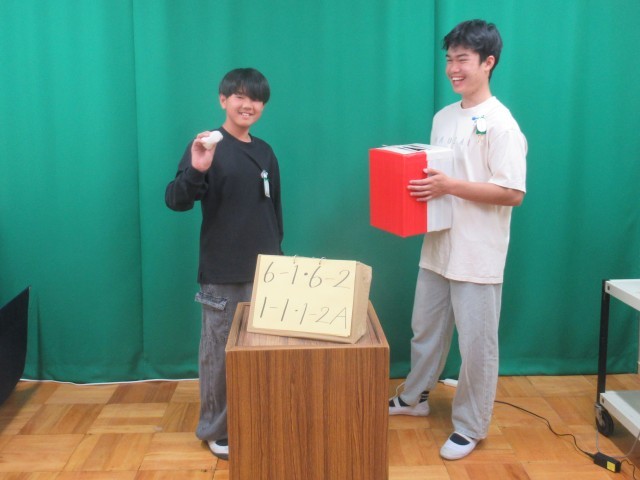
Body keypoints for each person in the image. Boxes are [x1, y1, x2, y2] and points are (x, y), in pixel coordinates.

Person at [388, 20, 527, 460]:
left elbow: (512, 192)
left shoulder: (502, 125)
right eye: (449, 59)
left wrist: (450, 186)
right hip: (437, 246)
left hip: (478, 253)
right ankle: (414, 396)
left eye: (463, 59)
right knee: (425, 330)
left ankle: (471, 425)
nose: (453, 68)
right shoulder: (444, 117)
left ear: (488, 62)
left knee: (477, 345)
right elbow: (435, 177)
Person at [165, 68, 284, 460]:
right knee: (219, 354)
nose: (248, 104)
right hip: (222, 272)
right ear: (223, 99)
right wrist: (197, 169)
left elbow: (274, 211)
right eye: (239, 96)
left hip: (265, 271)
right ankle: (215, 429)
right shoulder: (206, 145)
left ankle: (252, 417)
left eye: (256, 98)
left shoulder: (265, 151)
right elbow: (176, 200)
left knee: (261, 352)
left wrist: (278, 261)